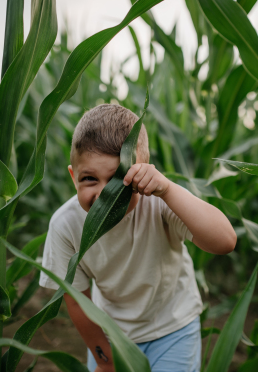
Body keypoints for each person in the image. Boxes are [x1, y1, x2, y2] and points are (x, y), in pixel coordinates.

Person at [39, 104, 237, 372]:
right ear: (73, 177)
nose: (103, 195)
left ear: (142, 173)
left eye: (117, 179)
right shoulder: (65, 225)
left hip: (172, 329)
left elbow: (225, 241)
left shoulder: (160, 203)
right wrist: (104, 360)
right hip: (110, 335)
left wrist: (166, 189)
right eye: (89, 178)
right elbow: (76, 298)